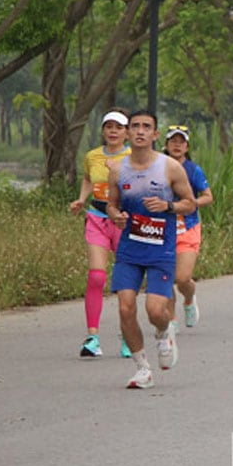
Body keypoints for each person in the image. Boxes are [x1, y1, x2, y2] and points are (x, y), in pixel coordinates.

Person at [104, 110, 197, 389]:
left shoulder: (170, 167)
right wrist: (115, 215)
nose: (140, 131)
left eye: (147, 127)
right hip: (130, 248)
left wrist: (168, 206)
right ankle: (142, 367)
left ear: (156, 134)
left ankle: (164, 330)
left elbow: (190, 203)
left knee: (156, 310)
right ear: (128, 132)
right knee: (125, 307)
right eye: (135, 127)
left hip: (160, 249)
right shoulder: (118, 169)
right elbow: (111, 203)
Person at [68, 109, 130, 359]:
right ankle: (92, 337)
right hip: (97, 218)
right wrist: (82, 199)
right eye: (109, 126)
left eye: (118, 127)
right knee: (96, 277)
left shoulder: (134, 157)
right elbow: (87, 179)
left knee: (126, 282)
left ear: (126, 132)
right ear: (103, 130)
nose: (113, 131)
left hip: (125, 222)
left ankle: (128, 337)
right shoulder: (92, 156)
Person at [162, 125, 213, 329]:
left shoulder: (193, 170)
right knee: (165, 276)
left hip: (188, 227)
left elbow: (208, 197)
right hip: (162, 228)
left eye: (181, 142)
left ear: (187, 146)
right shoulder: (158, 166)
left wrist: (186, 205)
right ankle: (172, 318)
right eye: (173, 141)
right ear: (165, 144)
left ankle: (189, 300)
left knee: (182, 278)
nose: (177, 145)